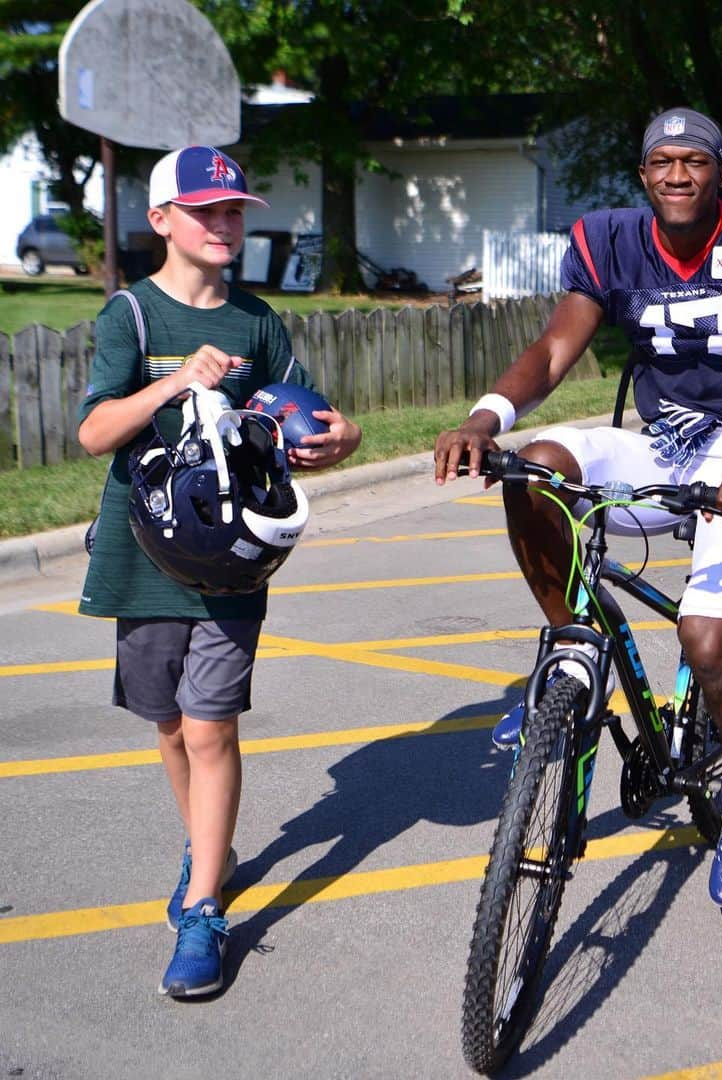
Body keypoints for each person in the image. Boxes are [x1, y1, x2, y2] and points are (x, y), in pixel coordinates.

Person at [434, 107, 722, 910]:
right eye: (663, 161)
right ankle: (572, 655)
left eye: (694, 160)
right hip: (662, 444)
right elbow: (552, 350)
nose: (677, 174)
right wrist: (485, 419)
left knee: (709, 643)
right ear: (643, 174)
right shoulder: (611, 241)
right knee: (537, 470)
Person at [78, 145, 361, 997]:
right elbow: (95, 433)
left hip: (232, 559)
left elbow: (310, 416)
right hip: (144, 549)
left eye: (236, 210)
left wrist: (336, 440)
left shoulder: (256, 323)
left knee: (210, 726)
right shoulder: (129, 317)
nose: (226, 224)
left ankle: (204, 908)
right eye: (208, 211)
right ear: (162, 220)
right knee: (168, 722)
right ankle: (209, 848)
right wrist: (171, 389)